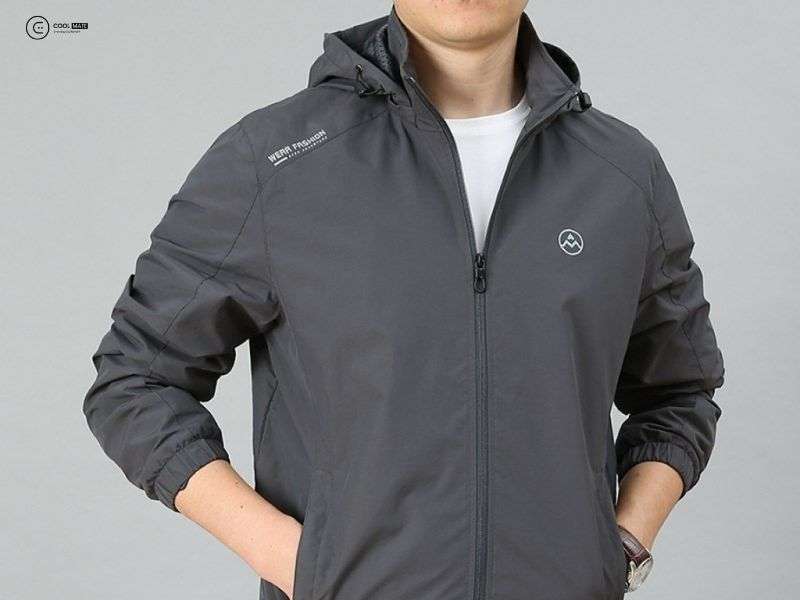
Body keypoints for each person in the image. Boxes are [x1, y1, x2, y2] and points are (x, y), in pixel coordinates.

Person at [83, 2, 725, 599]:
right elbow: (136, 378)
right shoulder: (277, 161)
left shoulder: (621, 172)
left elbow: (680, 392)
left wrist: (620, 546)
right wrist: (298, 562)